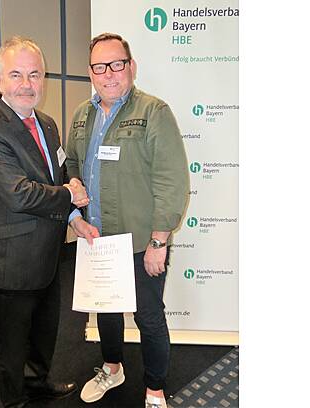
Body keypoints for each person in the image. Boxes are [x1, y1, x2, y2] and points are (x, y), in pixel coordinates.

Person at [66, 33, 190, 408]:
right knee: (105, 311)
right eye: (99, 66)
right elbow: (72, 163)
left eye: (117, 64)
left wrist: (158, 241)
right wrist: (74, 185)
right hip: (97, 239)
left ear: (131, 66)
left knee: (148, 318)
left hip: (140, 242)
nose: (109, 73)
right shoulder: (82, 115)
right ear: (90, 72)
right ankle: (112, 368)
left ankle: (155, 389)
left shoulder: (153, 112)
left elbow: (171, 180)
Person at [0, 36, 89, 408]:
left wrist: (73, 214)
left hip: (48, 254)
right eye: (16, 74)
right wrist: (69, 195)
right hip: (12, 260)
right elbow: (19, 193)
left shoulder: (47, 124)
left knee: (43, 331)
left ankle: (38, 383)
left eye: (34, 74)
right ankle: (14, 401)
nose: (26, 84)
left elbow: (58, 173)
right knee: (11, 343)